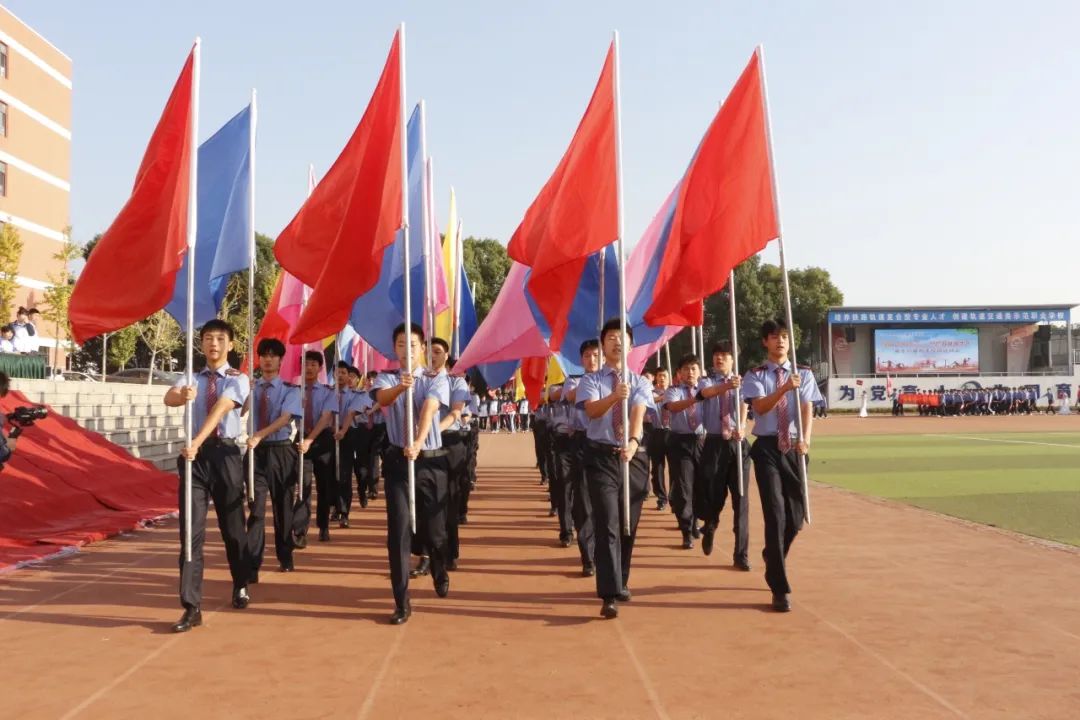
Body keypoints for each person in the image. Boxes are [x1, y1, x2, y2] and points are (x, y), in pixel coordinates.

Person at [163, 320, 252, 633]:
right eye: (207, 338)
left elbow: (222, 409)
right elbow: (169, 398)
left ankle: (240, 582)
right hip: (194, 461)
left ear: (230, 344)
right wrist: (181, 395)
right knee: (191, 533)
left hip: (224, 455)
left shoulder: (238, 379)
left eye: (220, 338)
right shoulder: (192, 376)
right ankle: (191, 605)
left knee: (233, 529)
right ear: (201, 344)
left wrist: (196, 443)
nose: (213, 343)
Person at [373, 322, 451, 625]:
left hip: (429, 461)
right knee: (399, 532)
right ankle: (401, 600)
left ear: (422, 348)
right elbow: (382, 400)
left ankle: (439, 567)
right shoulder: (386, 377)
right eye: (402, 344)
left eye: (413, 344)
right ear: (395, 348)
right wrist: (399, 387)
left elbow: (429, 410)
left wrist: (418, 443)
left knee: (435, 530)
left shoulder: (435, 378)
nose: (408, 349)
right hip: (397, 463)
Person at [741, 318, 821, 613]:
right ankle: (779, 587)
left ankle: (772, 555)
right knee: (774, 514)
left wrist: (807, 439)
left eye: (785, 336)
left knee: (796, 517)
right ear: (765, 342)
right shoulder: (756, 374)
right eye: (774, 337)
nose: (780, 341)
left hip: (795, 448)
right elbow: (759, 407)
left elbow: (806, 407)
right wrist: (784, 387)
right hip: (767, 449)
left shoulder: (804, 373)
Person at [579, 319, 651, 619]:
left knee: (627, 524)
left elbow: (638, 413)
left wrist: (633, 442)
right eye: (611, 337)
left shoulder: (641, 382)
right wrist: (613, 396)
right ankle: (608, 593)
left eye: (623, 338)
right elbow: (592, 410)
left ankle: (621, 578)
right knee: (607, 520)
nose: (617, 342)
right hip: (601, 457)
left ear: (632, 345)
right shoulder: (591, 380)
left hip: (631, 457)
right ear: (603, 344)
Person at [243, 338, 302, 579]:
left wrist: (260, 434)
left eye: (273, 355)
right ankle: (252, 563)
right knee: (256, 508)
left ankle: (285, 554)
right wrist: (245, 389)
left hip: (281, 451)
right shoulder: (252, 387)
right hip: (256, 453)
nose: (268, 359)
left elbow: (285, 418)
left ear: (280, 360)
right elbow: (241, 410)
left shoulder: (290, 390)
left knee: (283, 507)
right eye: (264, 355)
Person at [696, 342, 751, 569]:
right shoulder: (707, 380)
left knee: (741, 499)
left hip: (737, 444)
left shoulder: (743, 381)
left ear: (732, 359)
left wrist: (742, 426)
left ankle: (741, 554)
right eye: (716, 355)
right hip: (714, 444)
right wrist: (728, 385)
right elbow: (705, 393)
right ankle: (710, 523)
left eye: (724, 355)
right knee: (713, 495)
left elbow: (745, 404)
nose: (719, 359)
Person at [555, 339, 600, 575]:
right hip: (581, 442)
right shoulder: (574, 380)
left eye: (596, 355)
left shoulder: (614, 380)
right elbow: (571, 396)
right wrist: (593, 384)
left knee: (605, 503)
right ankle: (588, 555)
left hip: (607, 444)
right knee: (583, 500)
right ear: (581, 360)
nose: (592, 360)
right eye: (587, 356)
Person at [662, 354, 705, 549]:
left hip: (703, 441)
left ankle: (696, 520)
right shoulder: (674, 390)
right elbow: (673, 407)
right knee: (684, 487)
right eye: (686, 369)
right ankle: (686, 529)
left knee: (700, 487)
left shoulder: (706, 389)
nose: (690, 372)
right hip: (681, 442)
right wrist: (697, 399)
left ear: (699, 371)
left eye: (694, 368)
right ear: (679, 373)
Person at [295, 351, 335, 545]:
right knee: (303, 485)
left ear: (320, 368)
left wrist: (310, 439)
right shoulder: (294, 391)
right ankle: (300, 530)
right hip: (300, 438)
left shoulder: (328, 392)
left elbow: (326, 417)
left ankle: (324, 525)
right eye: (306, 364)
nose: (309, 368)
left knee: (324, 485)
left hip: (322, 440)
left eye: (313, 364)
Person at [331, 361, 360, 528]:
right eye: (338, 372)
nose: (340, 375)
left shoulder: (354, 394)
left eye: (344, 372)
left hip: (347, 435)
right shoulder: (328, 392)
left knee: (344, 475)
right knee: (330, 474)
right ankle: (334, 506)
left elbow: (351, 413)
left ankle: (344, 511)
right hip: (329, 435)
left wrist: (342, 430)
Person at [646, 367, 672, 511]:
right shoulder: (651, 393)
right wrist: (662, 397)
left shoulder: (674, 391)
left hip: (672, 432)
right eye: (660, 376)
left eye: (665, 376)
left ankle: (675, 496)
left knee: (675, 466)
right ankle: (662, 497)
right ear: (656, 378)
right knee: (657, 467)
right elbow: (648, 401)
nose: (662, 379)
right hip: (656, 432)